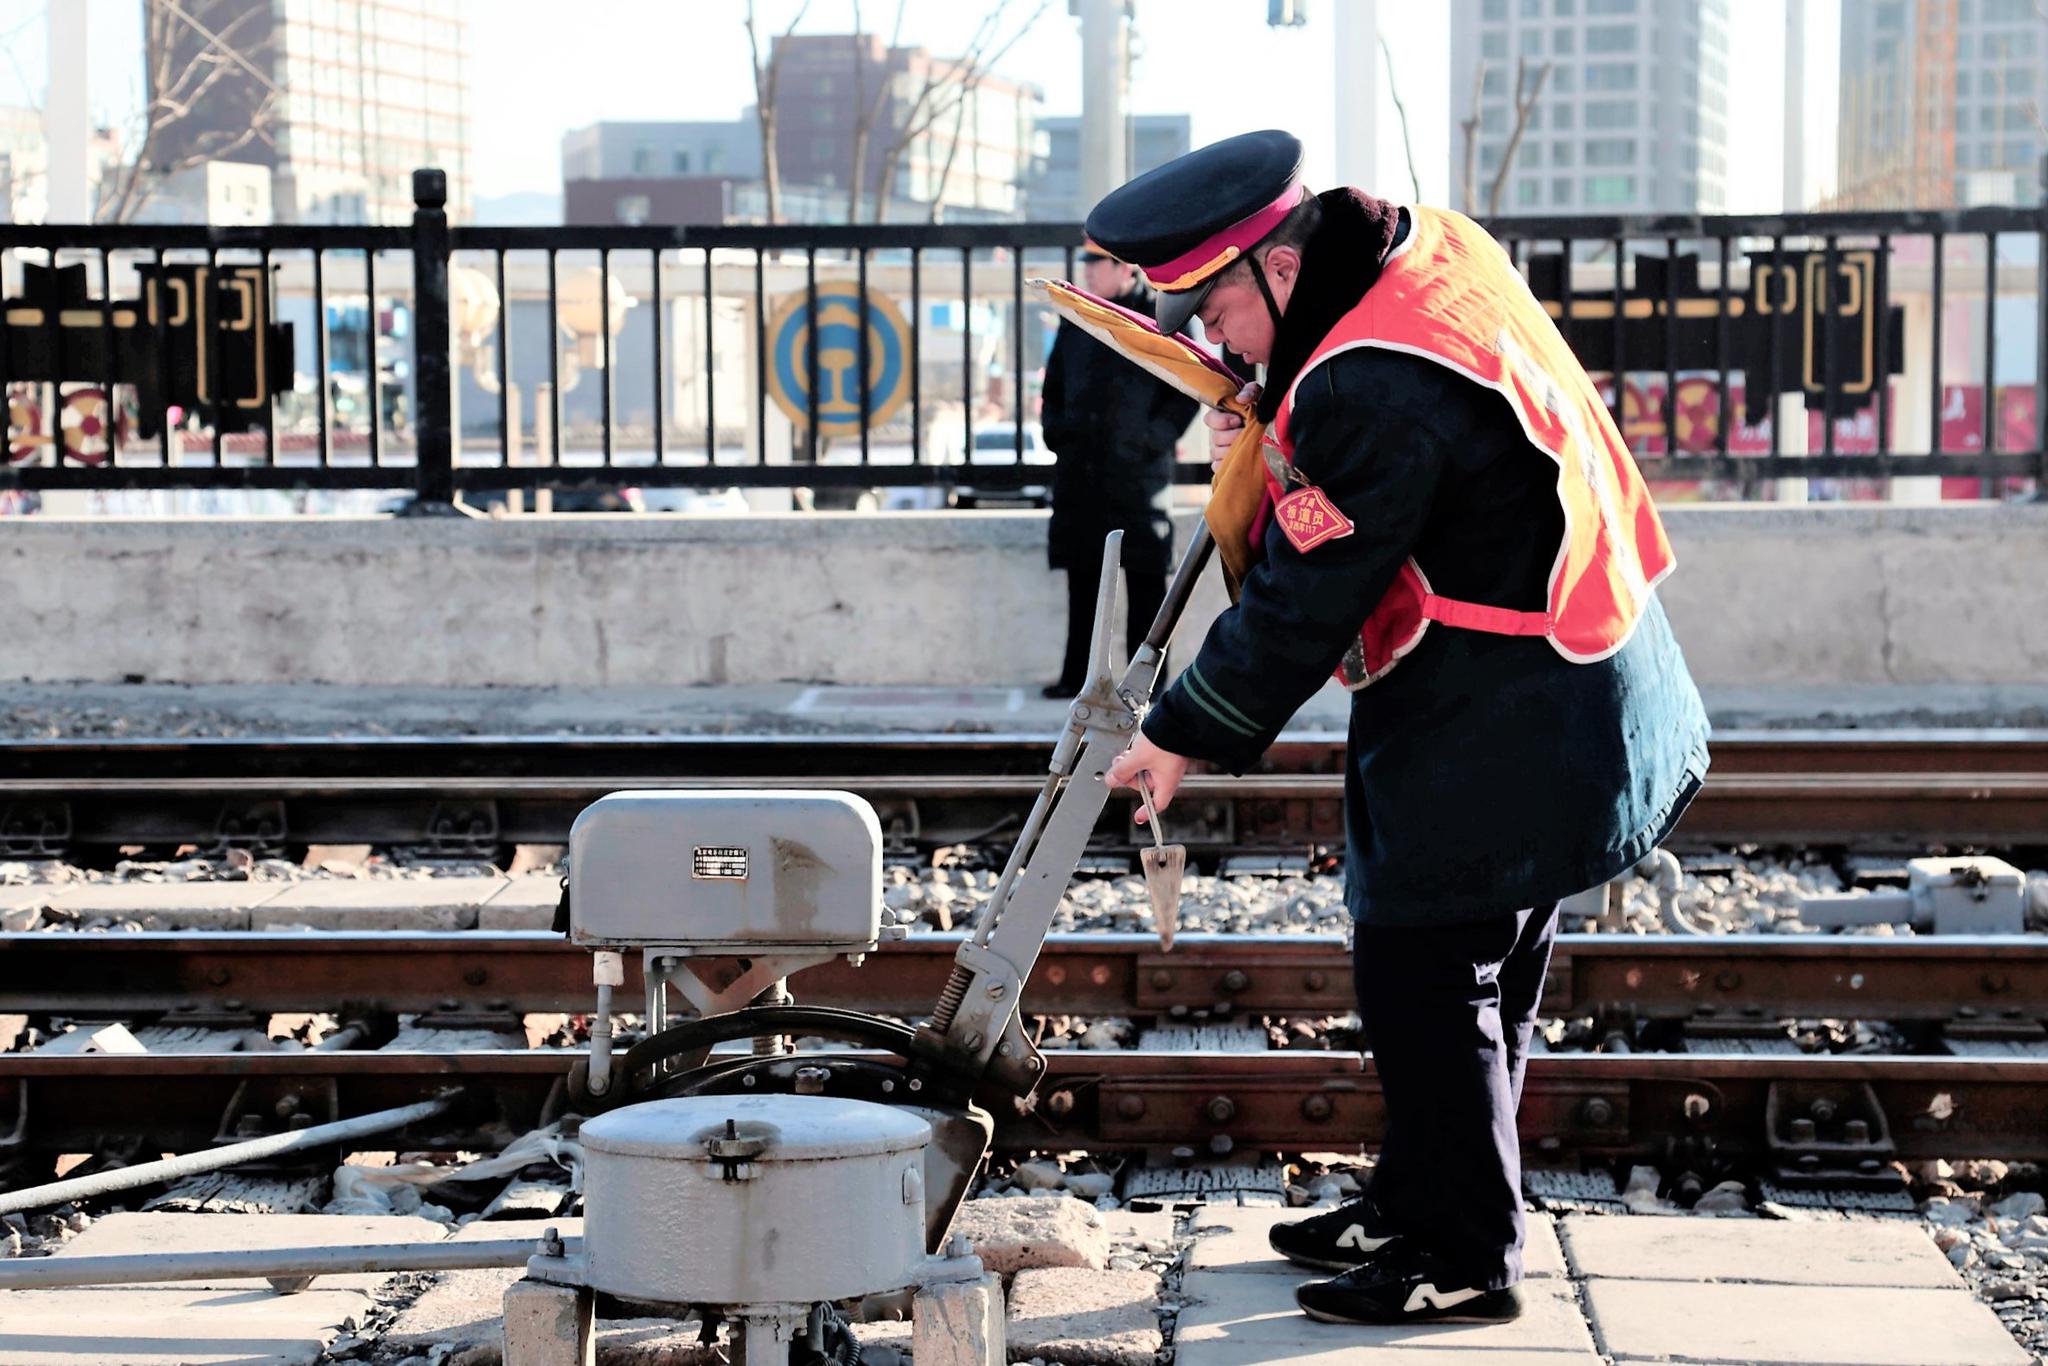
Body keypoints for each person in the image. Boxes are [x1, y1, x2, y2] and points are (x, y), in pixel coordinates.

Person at [1090, 130, 1710, 1326]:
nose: (1210, 340)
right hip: (1571, 663)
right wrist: (1273, 425)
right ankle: (1425, 1194)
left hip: (1508, 705)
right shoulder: (1415, 249)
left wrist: (1177, 732)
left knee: (1425, 973)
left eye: (1212, 304)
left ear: (1276, 262)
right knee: (1486, 969)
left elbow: (1302, 600)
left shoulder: (1363, 385)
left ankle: (1461, 1254)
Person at [1037, 245, 1201, 697]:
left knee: (1147, 581)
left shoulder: (1161, 316)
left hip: (1139, 476)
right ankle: (1078, 680)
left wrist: (1151, 440)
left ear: (1123, 266)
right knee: (1083, 578)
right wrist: (1059, 433)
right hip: (1081, 472)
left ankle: (1144, 685)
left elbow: (1187, 388)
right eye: (1084, 265)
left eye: (1095, 264)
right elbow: (1053, 389)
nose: (1087, 274)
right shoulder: (1077, 318)